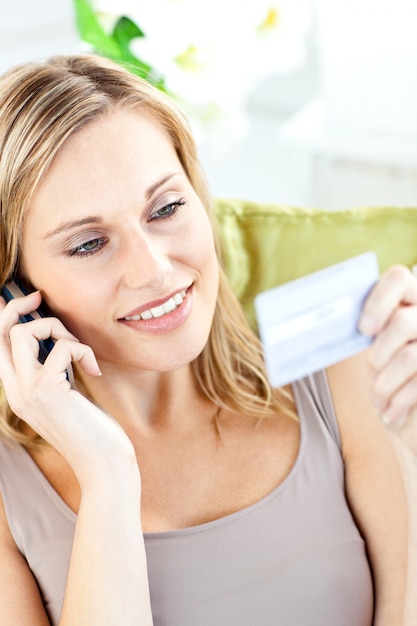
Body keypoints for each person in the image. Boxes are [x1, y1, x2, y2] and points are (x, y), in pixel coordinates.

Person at [0, 54, 415, 626]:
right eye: (89, 244)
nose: (154, 270)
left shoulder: (348, 376)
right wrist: (107, 474)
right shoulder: (8, 493)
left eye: (167, 207)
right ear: (13, 287)